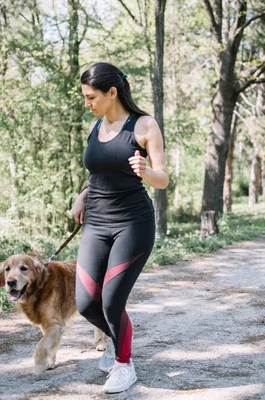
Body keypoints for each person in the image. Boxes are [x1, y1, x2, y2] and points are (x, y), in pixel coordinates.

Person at [70, 62, 168, 394]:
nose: (87, 103)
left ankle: (124, 365)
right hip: (96, 222)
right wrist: (82, 196)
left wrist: (145, 170)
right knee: (85, 302)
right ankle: (116, 337)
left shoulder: (144, 125)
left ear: (112, 93)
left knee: (111, 300)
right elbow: (98, 172)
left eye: (91, 97)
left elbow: (163, 179)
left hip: (133, 223)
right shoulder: (96, 127)